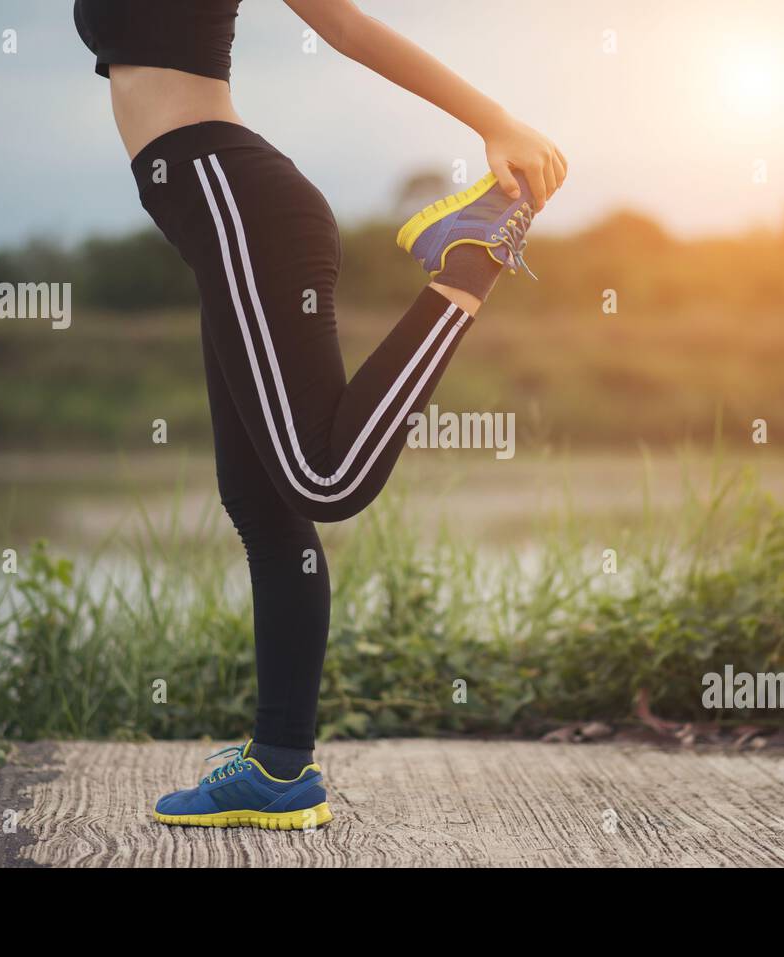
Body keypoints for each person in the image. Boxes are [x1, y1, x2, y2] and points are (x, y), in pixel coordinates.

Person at [74, 0, 567, 829]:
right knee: (260, 502)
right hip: (219, 220)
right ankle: (279, 765)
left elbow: (343, 24)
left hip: (237, 202)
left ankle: (473, 256)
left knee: (323, 479)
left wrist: (497, 121)